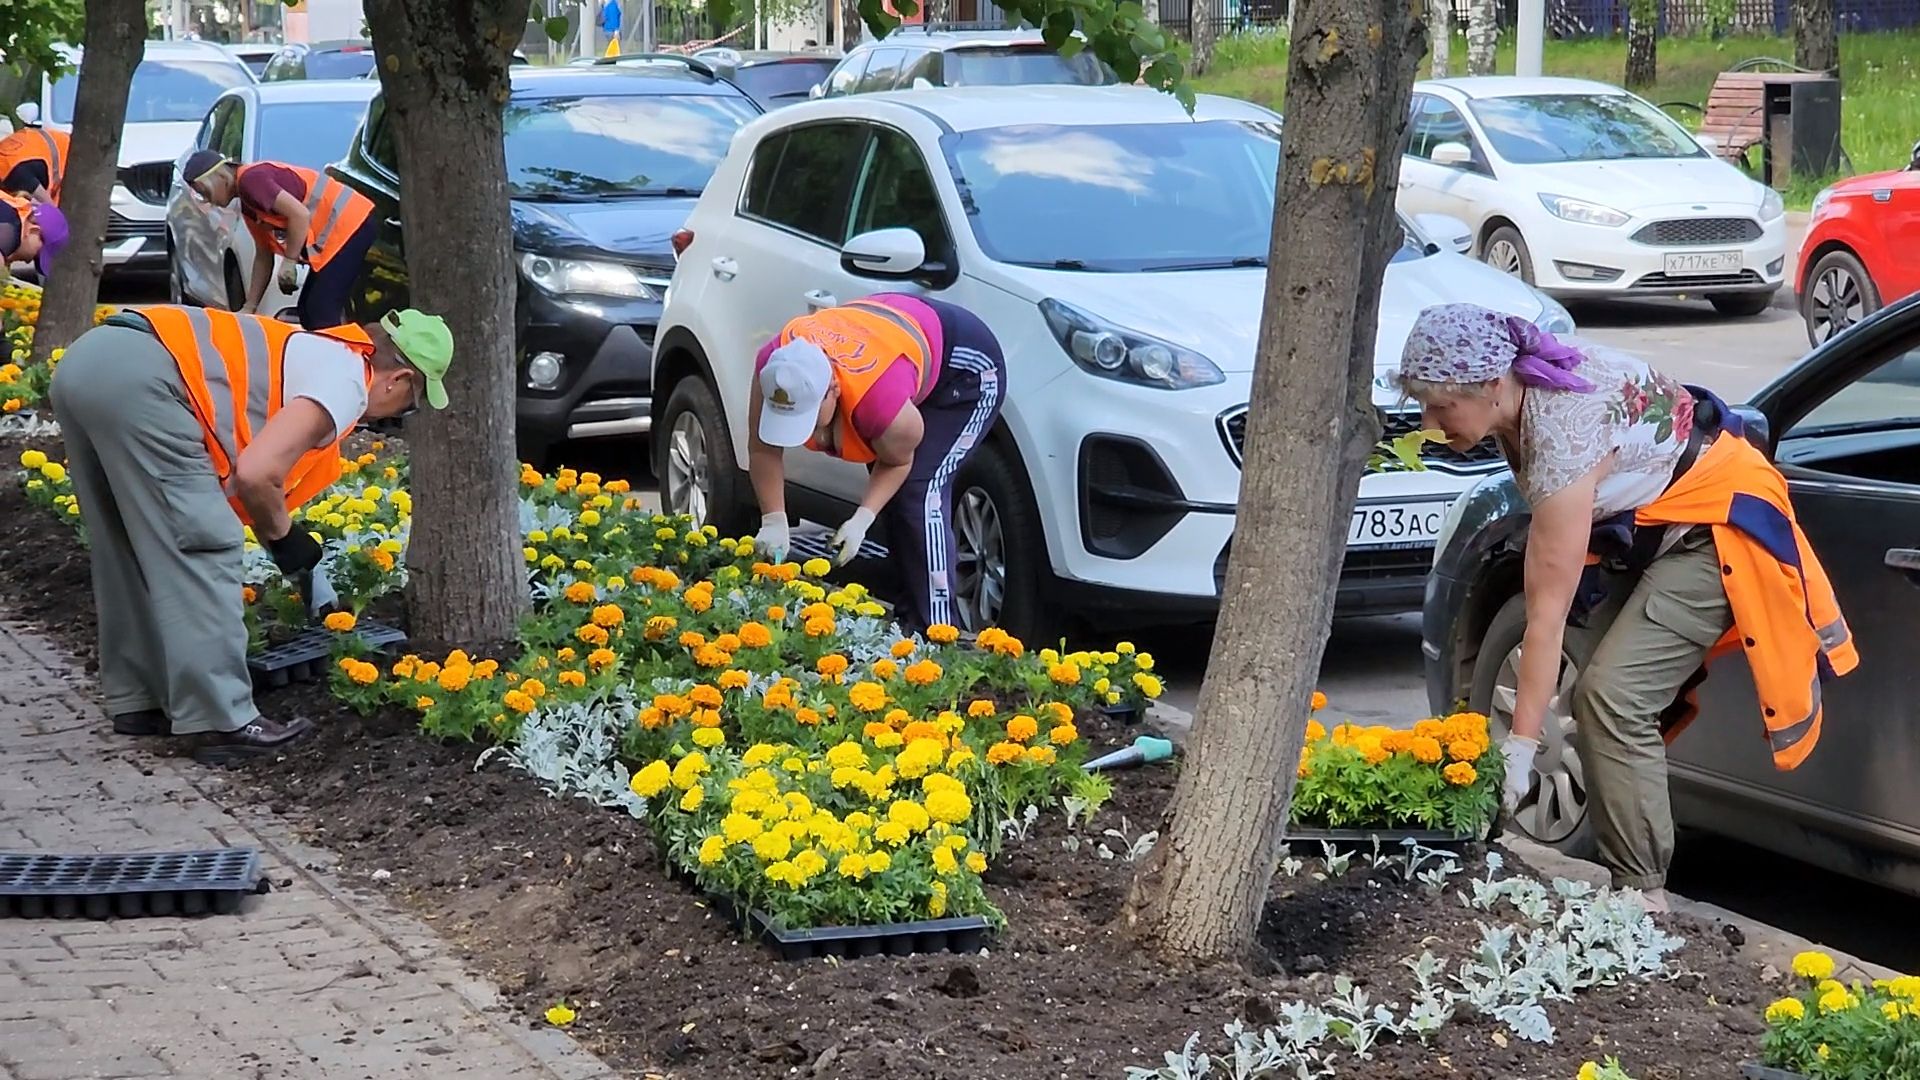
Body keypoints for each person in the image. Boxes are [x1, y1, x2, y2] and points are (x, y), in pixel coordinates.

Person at [1397, 302, 1856, 909]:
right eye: (1422, 404)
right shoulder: (1522, 394)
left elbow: (1545, 619)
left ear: (1490, 383)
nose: (1428, 422)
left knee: (1614, 696)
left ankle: (1642, 898)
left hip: (1714, 527)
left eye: (1441, 405)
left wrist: (1520, 751)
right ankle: (1626, 854)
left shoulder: (1564, 434)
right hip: (1654, 523)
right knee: (1595, 684)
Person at [49, 305, 453, 763]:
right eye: (410, 405)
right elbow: (257, 473)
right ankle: (223, 721)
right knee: (207, 540)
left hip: (90, 362)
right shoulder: (346, 381)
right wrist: (284, 540)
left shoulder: (315, 350)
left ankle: (139, 700)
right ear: (396, 379)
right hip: (144, 381)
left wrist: (286, 542)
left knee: (125, 543)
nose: (397, 415)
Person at [748, 294, 1006, 633]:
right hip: (894, 336)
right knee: (896, 500)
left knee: (919, 490)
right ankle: (907, 620)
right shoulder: (774, 366)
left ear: (834, 389)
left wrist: (861, 520)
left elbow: (898, 462)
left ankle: (939, 634)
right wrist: (774, 520)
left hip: (966, 367)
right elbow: (762, 448)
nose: (806, 430)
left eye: (810, 416)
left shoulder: (877, 401)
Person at [179, 149, 378, 330]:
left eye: (205, 192)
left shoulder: (251, 181)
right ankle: (328, 359)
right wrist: (250, 307)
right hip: (343, 232)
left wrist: (289, 262)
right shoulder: (248, 205)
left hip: (351, 224)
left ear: (222, 177)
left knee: (321, 313)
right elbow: (263, 256)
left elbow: (299, 215)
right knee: (309, 313)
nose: (208, 200)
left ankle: (339, 364)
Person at [0, 192, 69, 280]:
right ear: (34, 230)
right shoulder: (9, 233)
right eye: (36, 255)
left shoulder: (8, 210)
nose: (28, 261)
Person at [0, 123, 70, 203]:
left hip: (72, 159)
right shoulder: (4, 157)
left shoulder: (16, 176)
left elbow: (51, 210)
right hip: (63, 142)